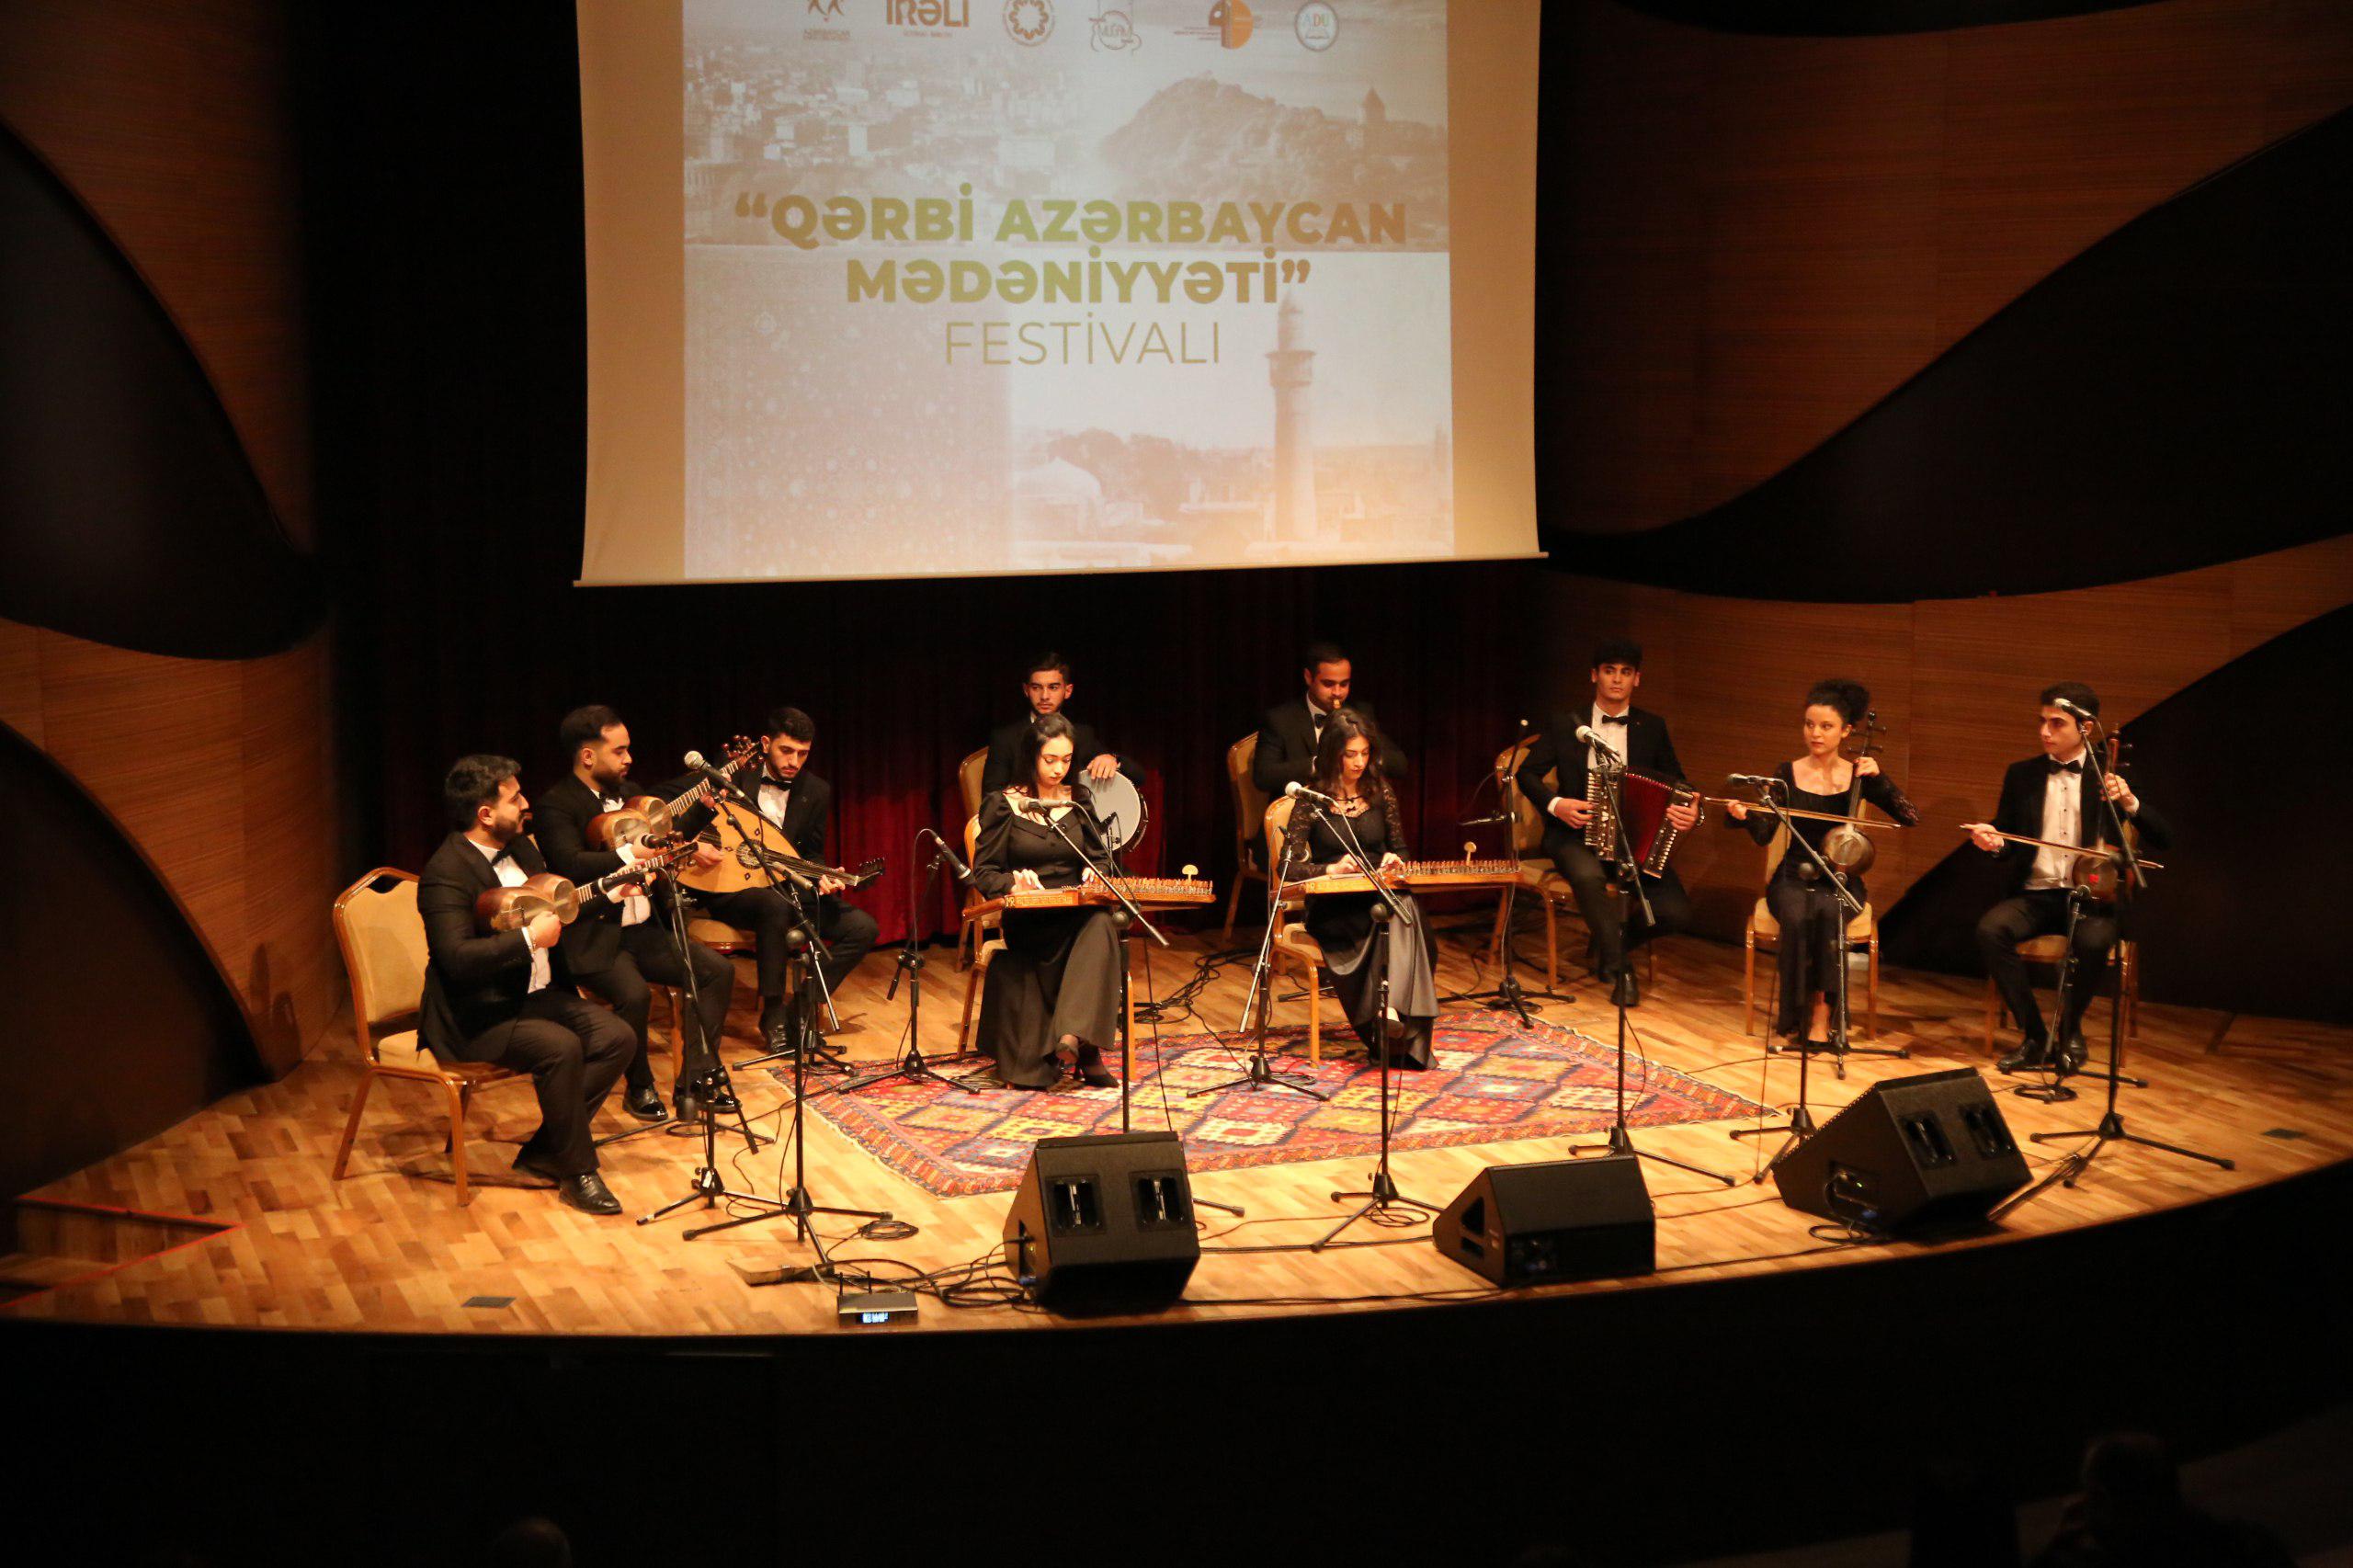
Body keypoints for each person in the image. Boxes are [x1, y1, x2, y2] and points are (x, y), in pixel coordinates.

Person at [416, 756, 633, 1215]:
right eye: (515, 798)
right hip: (477, 1014)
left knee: (618, 1037)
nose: (526, 803)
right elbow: (455, 960)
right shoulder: (445, 873)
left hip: (537, 996)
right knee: (560, 1047)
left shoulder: (522, 849)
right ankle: (578, 1171)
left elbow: (563, 907)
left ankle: (545, 1151)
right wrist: (528, 938)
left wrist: (612, 892)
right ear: (485, 814)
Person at [535, 704, 738, 1122]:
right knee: (634, 994)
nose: (629, 759)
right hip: (592, 935)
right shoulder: (557, 804)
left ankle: (695, 1080)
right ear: (588, 755)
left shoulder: (633, 795)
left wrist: (703, 807)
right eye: (620, 751)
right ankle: (639, 1085)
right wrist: (630, 853)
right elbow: (568, 865)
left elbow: (666, 841)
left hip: (643, 929)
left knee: (716, 971)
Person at [1964, 684, 2172, 1074]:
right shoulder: (2022, 774)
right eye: (2042, 722)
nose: (2045, 731)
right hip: (2038, 895)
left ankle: (2071, 1030)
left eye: (2056, 723)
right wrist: (1993, 841)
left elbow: (2164, 837)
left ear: (2086, 728)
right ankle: (2034, 1037)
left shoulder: (2111, 775)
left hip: (2093, 898)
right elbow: (2008, 837)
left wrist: (2130, 803)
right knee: (1991, 930)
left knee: (2092, 941)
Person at [1722, 680, 1919, 1047]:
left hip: (1841, 878)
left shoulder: (1860, 775)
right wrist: (1742, 816)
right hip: (1792, 876)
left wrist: (1881, 777)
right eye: (1809, 724)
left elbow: (1909, 816)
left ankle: (1822, 1015)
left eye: (1826, 726)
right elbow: (1766, 832)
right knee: (1798, 916)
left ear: (1845, 731)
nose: (1815, 733)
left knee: (1828, 915)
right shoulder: (1786, 772)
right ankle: (1797, 1014)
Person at [679, 707, 878, 1051]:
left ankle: (800, 1007)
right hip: (729, 887)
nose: (794, 761)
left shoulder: (816, 791)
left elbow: (810, 855)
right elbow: (687, 823)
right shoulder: (735, 776)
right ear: (767, 743)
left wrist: (821, 877)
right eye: (786, 751)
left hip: (787, 885)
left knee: (862, 928)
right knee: (773, 906)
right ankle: (772, 1012)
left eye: (803, 753)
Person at [1515, 638, 1699, 1006]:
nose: (1617, 679)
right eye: (1610, 671)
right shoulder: (1567, 723)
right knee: (1588, 876)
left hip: (1633, 838)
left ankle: (1612, 942)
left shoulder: (1652, 727)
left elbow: (1679, 781)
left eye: (1626, 672)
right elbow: (1528, 774)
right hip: (1574, 834)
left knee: (1676, 912)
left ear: (1637, 680)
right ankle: (1621, 970)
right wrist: (1557, 804)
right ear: (1594, 675)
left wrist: (1692, 809)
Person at [1279, 708, 1439, 1069]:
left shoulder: (1379, 790)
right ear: (1334, 752)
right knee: (1404, 915)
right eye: (1350, 754)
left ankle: (1391, 1011)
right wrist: (1331, 868)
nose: (1359, 762)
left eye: (1365, 753)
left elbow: (1400, 850)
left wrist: (1392, 861)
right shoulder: (1312, 799)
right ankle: (1394, 1023)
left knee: (1402, 909)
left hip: (1378, 894)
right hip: (1336, 908)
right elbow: (1286, 867)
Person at [971, 713, 1124, 1089]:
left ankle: (1072, 1036)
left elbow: (1102, 858)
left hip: (1077, 912)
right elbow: (984, 872)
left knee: (1103, 922)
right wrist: (1012, 884)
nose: (1059, 769)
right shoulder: (1004, 804)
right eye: (1050, 760)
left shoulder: (1079, 801)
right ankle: (1085, 1048)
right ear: (1031, 757)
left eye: (1066, 760)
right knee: (1097, 934)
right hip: (1032, 920)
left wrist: (1095, 871)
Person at [1251, 639, 1408, 797]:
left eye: (1344, 684)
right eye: (1328, 684)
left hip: (1350, 811)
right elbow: (1263, 776)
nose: (1338, 692)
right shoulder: (1280, 719)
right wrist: (1319, 764)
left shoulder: (1360, 713)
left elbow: (1400, 765)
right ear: (1308, 677)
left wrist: (1367, 756)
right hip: (1297, 814)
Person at [979, 651, 1131, 795]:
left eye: (1053, 687)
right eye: (1036, 687)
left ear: (1068, 691)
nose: (1044, 696)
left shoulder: (1083, 735)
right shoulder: (1005, 738)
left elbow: (1139, 776)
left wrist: (1113, 760)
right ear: (1026, 690)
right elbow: (991, 797)